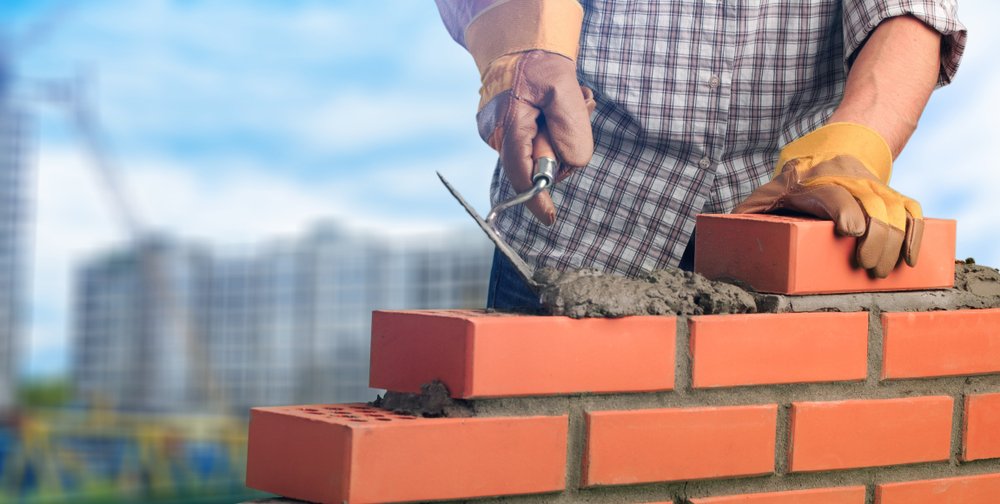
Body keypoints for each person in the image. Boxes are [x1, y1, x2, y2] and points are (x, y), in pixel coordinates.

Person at [434, 0, 966, 311]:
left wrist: (853, 145)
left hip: (785, 227)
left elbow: (911, 10)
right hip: (579, 224)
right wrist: (525, 48)